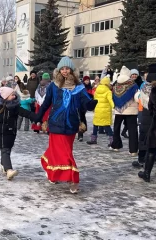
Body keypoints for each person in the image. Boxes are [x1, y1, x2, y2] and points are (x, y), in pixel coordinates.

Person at [36, 57, 93, 193]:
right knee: (64, 153)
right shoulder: (53, 86)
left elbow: (85, 101)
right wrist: (38, 117)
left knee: (59, 151)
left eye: (67, 68)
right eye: (62, 69)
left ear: (72, 70)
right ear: (59, 70)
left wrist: (90, 103)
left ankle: (53, 172)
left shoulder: (79, 88)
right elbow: (46, 103)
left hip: (71, 124)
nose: (65, 71)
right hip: (55, 123)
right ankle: (73, 179)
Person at [0, 87, 37, 180]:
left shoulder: (15, 106)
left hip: (11, 131)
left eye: (14, 94)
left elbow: (25, 112)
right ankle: (9, 170)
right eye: (12, 95)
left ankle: (3, 165)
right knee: (5, 149)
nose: (14, 96)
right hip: (0, 131)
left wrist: (36, 116)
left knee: (7, 149)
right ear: (5, 96)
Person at [133, 63, 156, 175]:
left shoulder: (145, 86)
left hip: (147, 114)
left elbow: (141, 100)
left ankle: (141, 160)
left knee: (144, 137)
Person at [110, 66, 139, 156]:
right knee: (132, 129)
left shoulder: (115, 84)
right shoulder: (133, 84)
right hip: (131, 110)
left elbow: (113, 96)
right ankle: (133, 150)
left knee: (117, 128)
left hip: (119, 110)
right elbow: (136, 97)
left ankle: (116, 145)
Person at [87, 76, 114, 146]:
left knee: (95, 124)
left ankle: (93, 139)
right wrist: (114, 106)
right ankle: (112, 140)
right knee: (106, 125)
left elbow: (95, 99)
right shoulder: (108, 91)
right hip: (105, 111)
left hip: (98, 110)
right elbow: (110, 100)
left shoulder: (97, 90)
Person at [78, 76, 93, 141]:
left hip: (86, 105)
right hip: (80, 104)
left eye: (88, 80)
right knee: (81, 118)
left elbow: (92, 95)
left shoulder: (90, 87)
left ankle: (83, 129)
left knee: (83, 117)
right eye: (85, 80)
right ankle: (80, 134)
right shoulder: (81, 87)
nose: (87, 81)